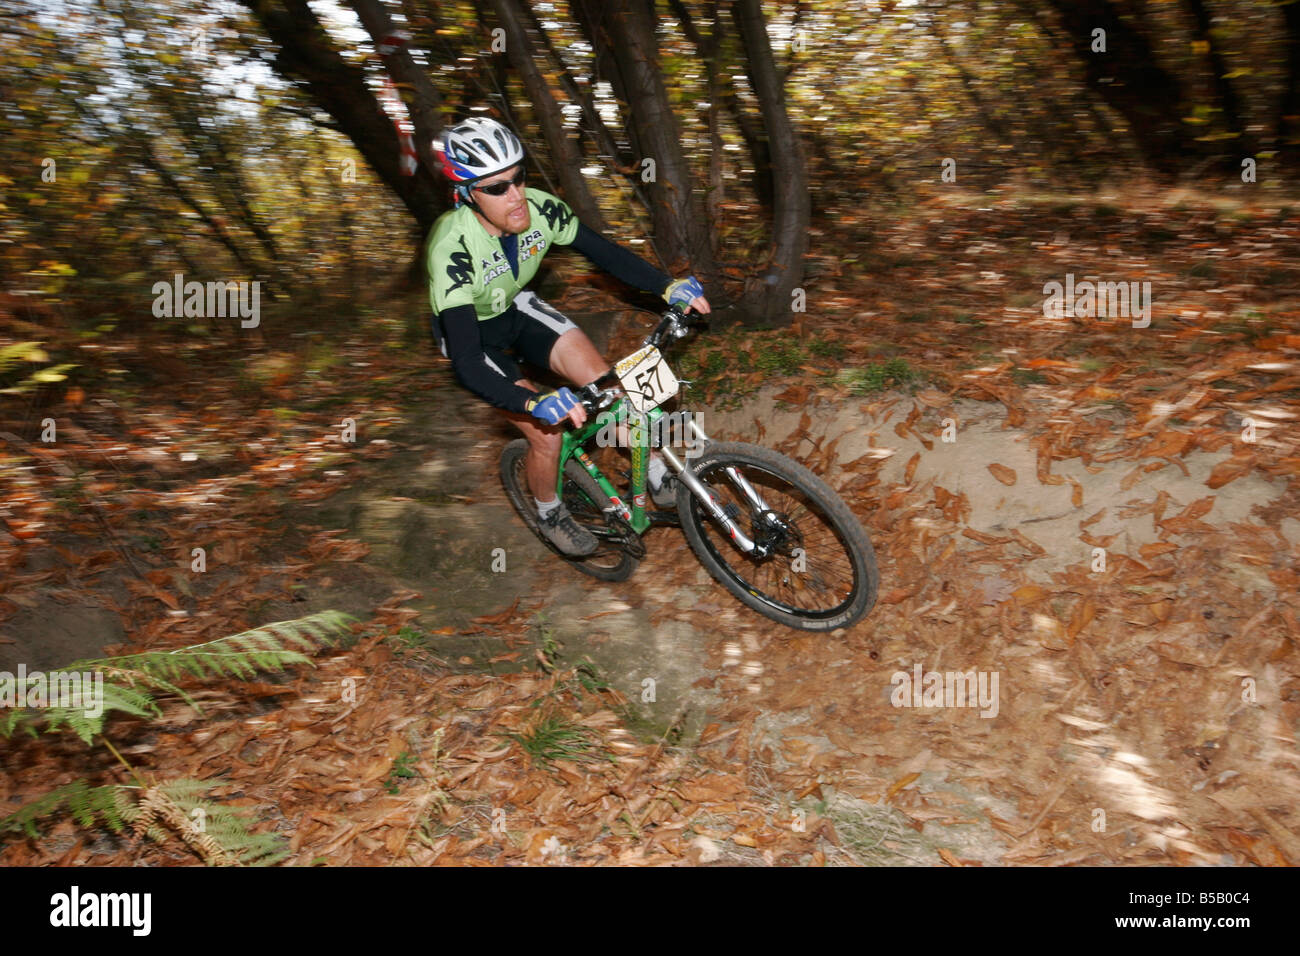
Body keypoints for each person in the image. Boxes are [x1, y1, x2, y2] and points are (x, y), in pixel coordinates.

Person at [426, 117, 710, 556]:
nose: (516, 195)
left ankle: (655, 470)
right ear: (465, 194)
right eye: (496, 188)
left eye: (518, 177)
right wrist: (532, 401)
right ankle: (549, 510)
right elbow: (465, 360)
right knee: (548, 433)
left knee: (613, 389)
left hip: (516, 305)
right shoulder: (453, 247)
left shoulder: (541, 209)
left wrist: (666, 286)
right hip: (473, 335)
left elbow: (605, 253)